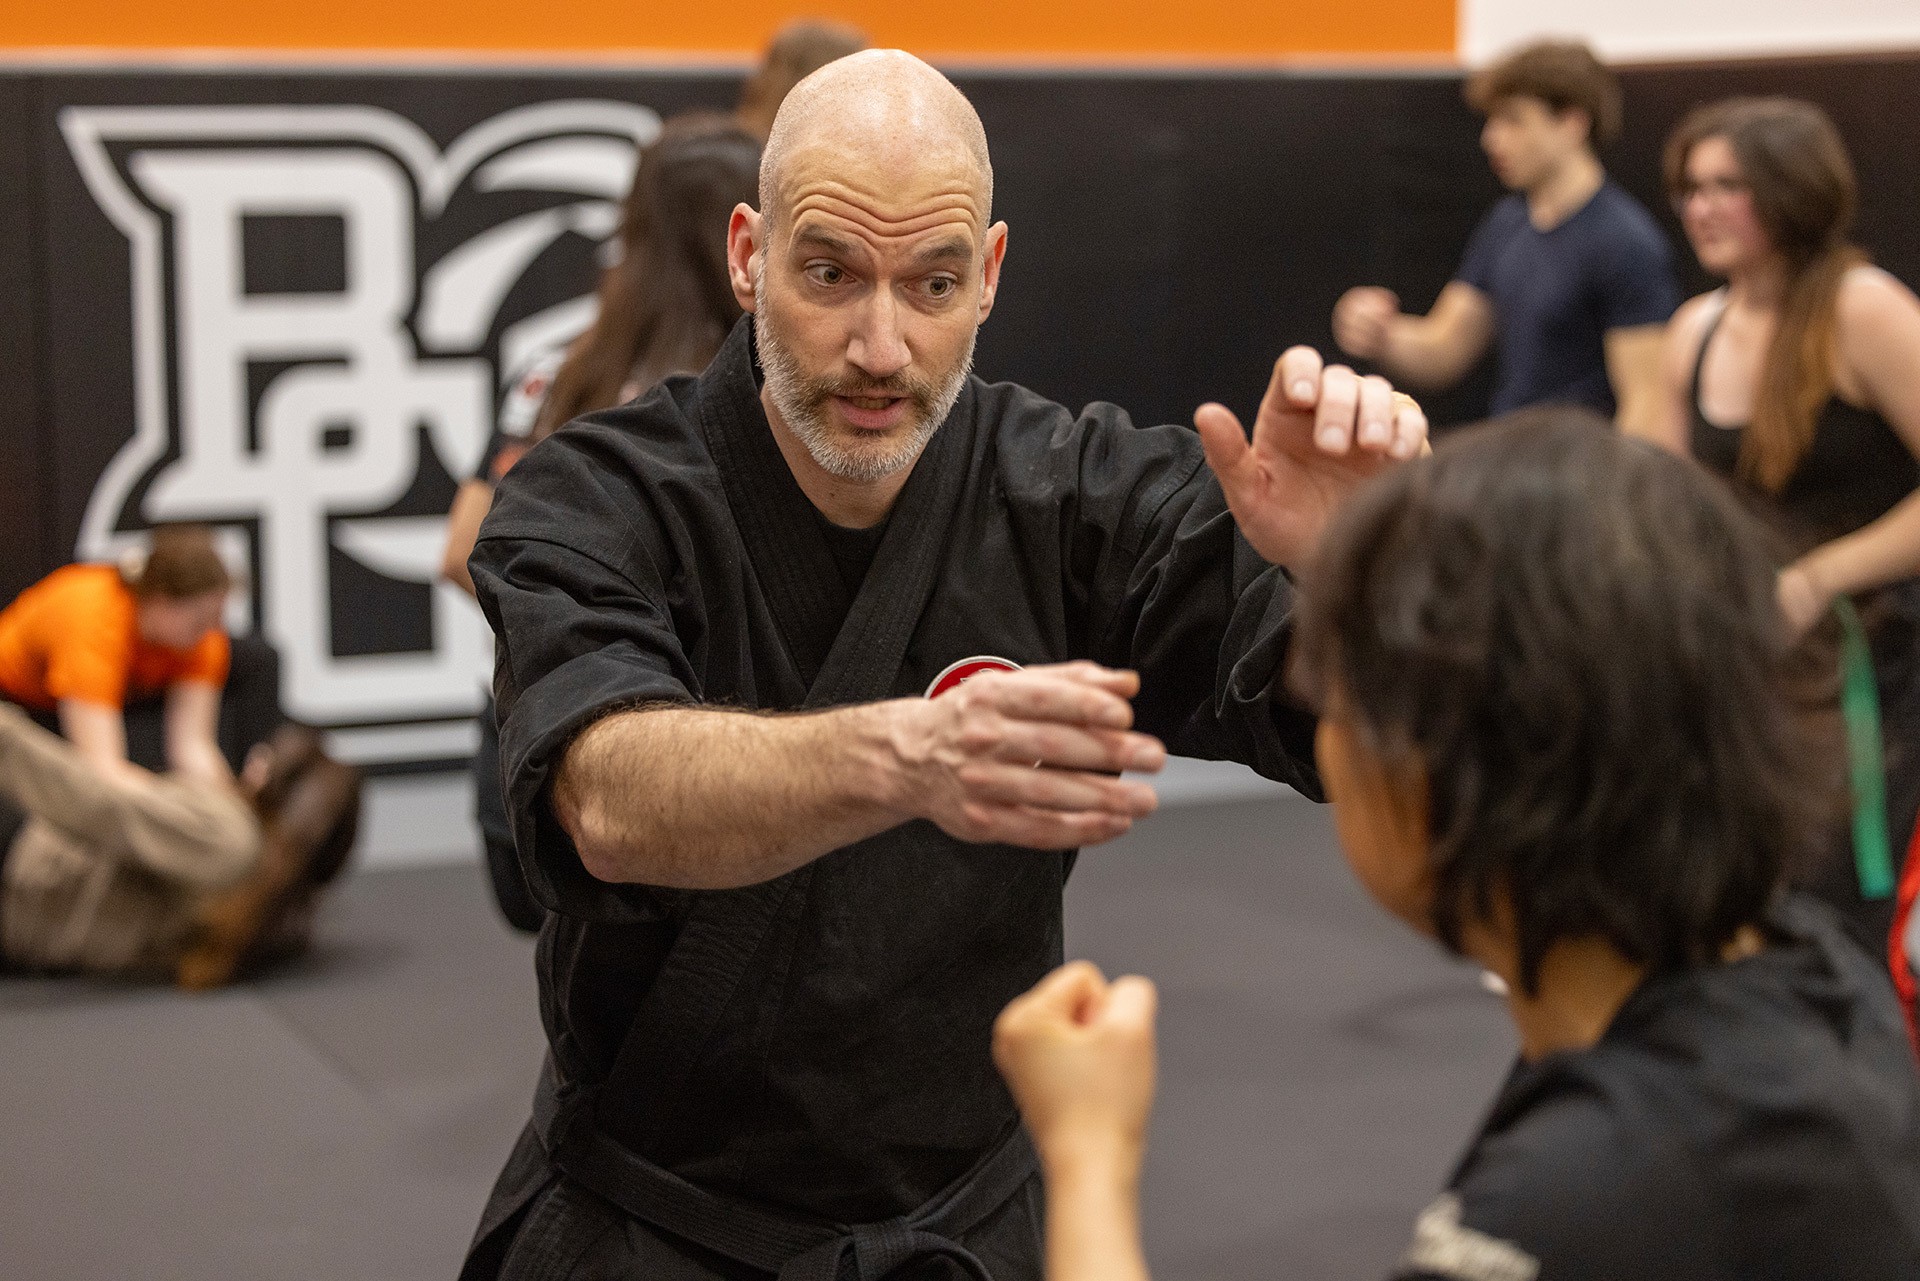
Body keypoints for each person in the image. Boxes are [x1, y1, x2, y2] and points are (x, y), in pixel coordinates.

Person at [461, 49, 1428, 1281]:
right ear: (748, 255)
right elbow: (603, 797)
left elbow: (1350, 718)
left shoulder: (1074, 491)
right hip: (657, 1226)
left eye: (933, 282)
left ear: (992, 275)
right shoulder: (596, 495)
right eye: (830, 274)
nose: (882, 345)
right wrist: (905, 756)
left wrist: (1369, 578)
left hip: (961, 1225)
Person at [993, 411, 1920, 1281]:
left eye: (1344, 699)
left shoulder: (1586, 1193)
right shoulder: (1801, 980)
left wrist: (1088, 1153)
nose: (1327, 737)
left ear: (1446, 776)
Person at [440, 115, 763, 932]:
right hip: (699, 754)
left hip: (534, 739)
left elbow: (463, 552)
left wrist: (573, 629)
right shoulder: (760, 392)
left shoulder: (556, 377)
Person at [1648, 97, 1920, 1001]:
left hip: (1873, 671)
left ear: (1791, 193)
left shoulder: (1863, 309)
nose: (1702, 207)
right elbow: (1648, 487)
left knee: (1845, 917)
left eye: (1730, 185)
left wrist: (1816, 577)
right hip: (1755, 666)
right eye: (1692, 187)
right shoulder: (1695, 330)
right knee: (1745, 908)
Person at [1332, 40, 1678, 431]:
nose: (1491, 139)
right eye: (1493, 121)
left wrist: (1609, 491)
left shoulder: (1625, 241)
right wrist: (1380, 333)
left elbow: (1647, 405)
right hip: (1513, 462)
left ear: (1572, 124)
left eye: (1513, 120)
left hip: (1580, 474)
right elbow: (1443, 348)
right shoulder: (1507, 223)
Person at [0, 706, 359, 986]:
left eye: (267, 756)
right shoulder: (270, 908)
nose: (255, 757)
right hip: (30, 926)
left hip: (24, 870)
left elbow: (100, 804)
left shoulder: (229, 842)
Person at [0, 524, 237, 788]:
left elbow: (193, 747)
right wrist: (179, 813)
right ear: (160, 601)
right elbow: (101, 768)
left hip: (90, 703)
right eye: (199, 621)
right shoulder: (94, 622)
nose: (211, 631)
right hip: (15, 699)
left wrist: (229, 809)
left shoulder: (205, 640)